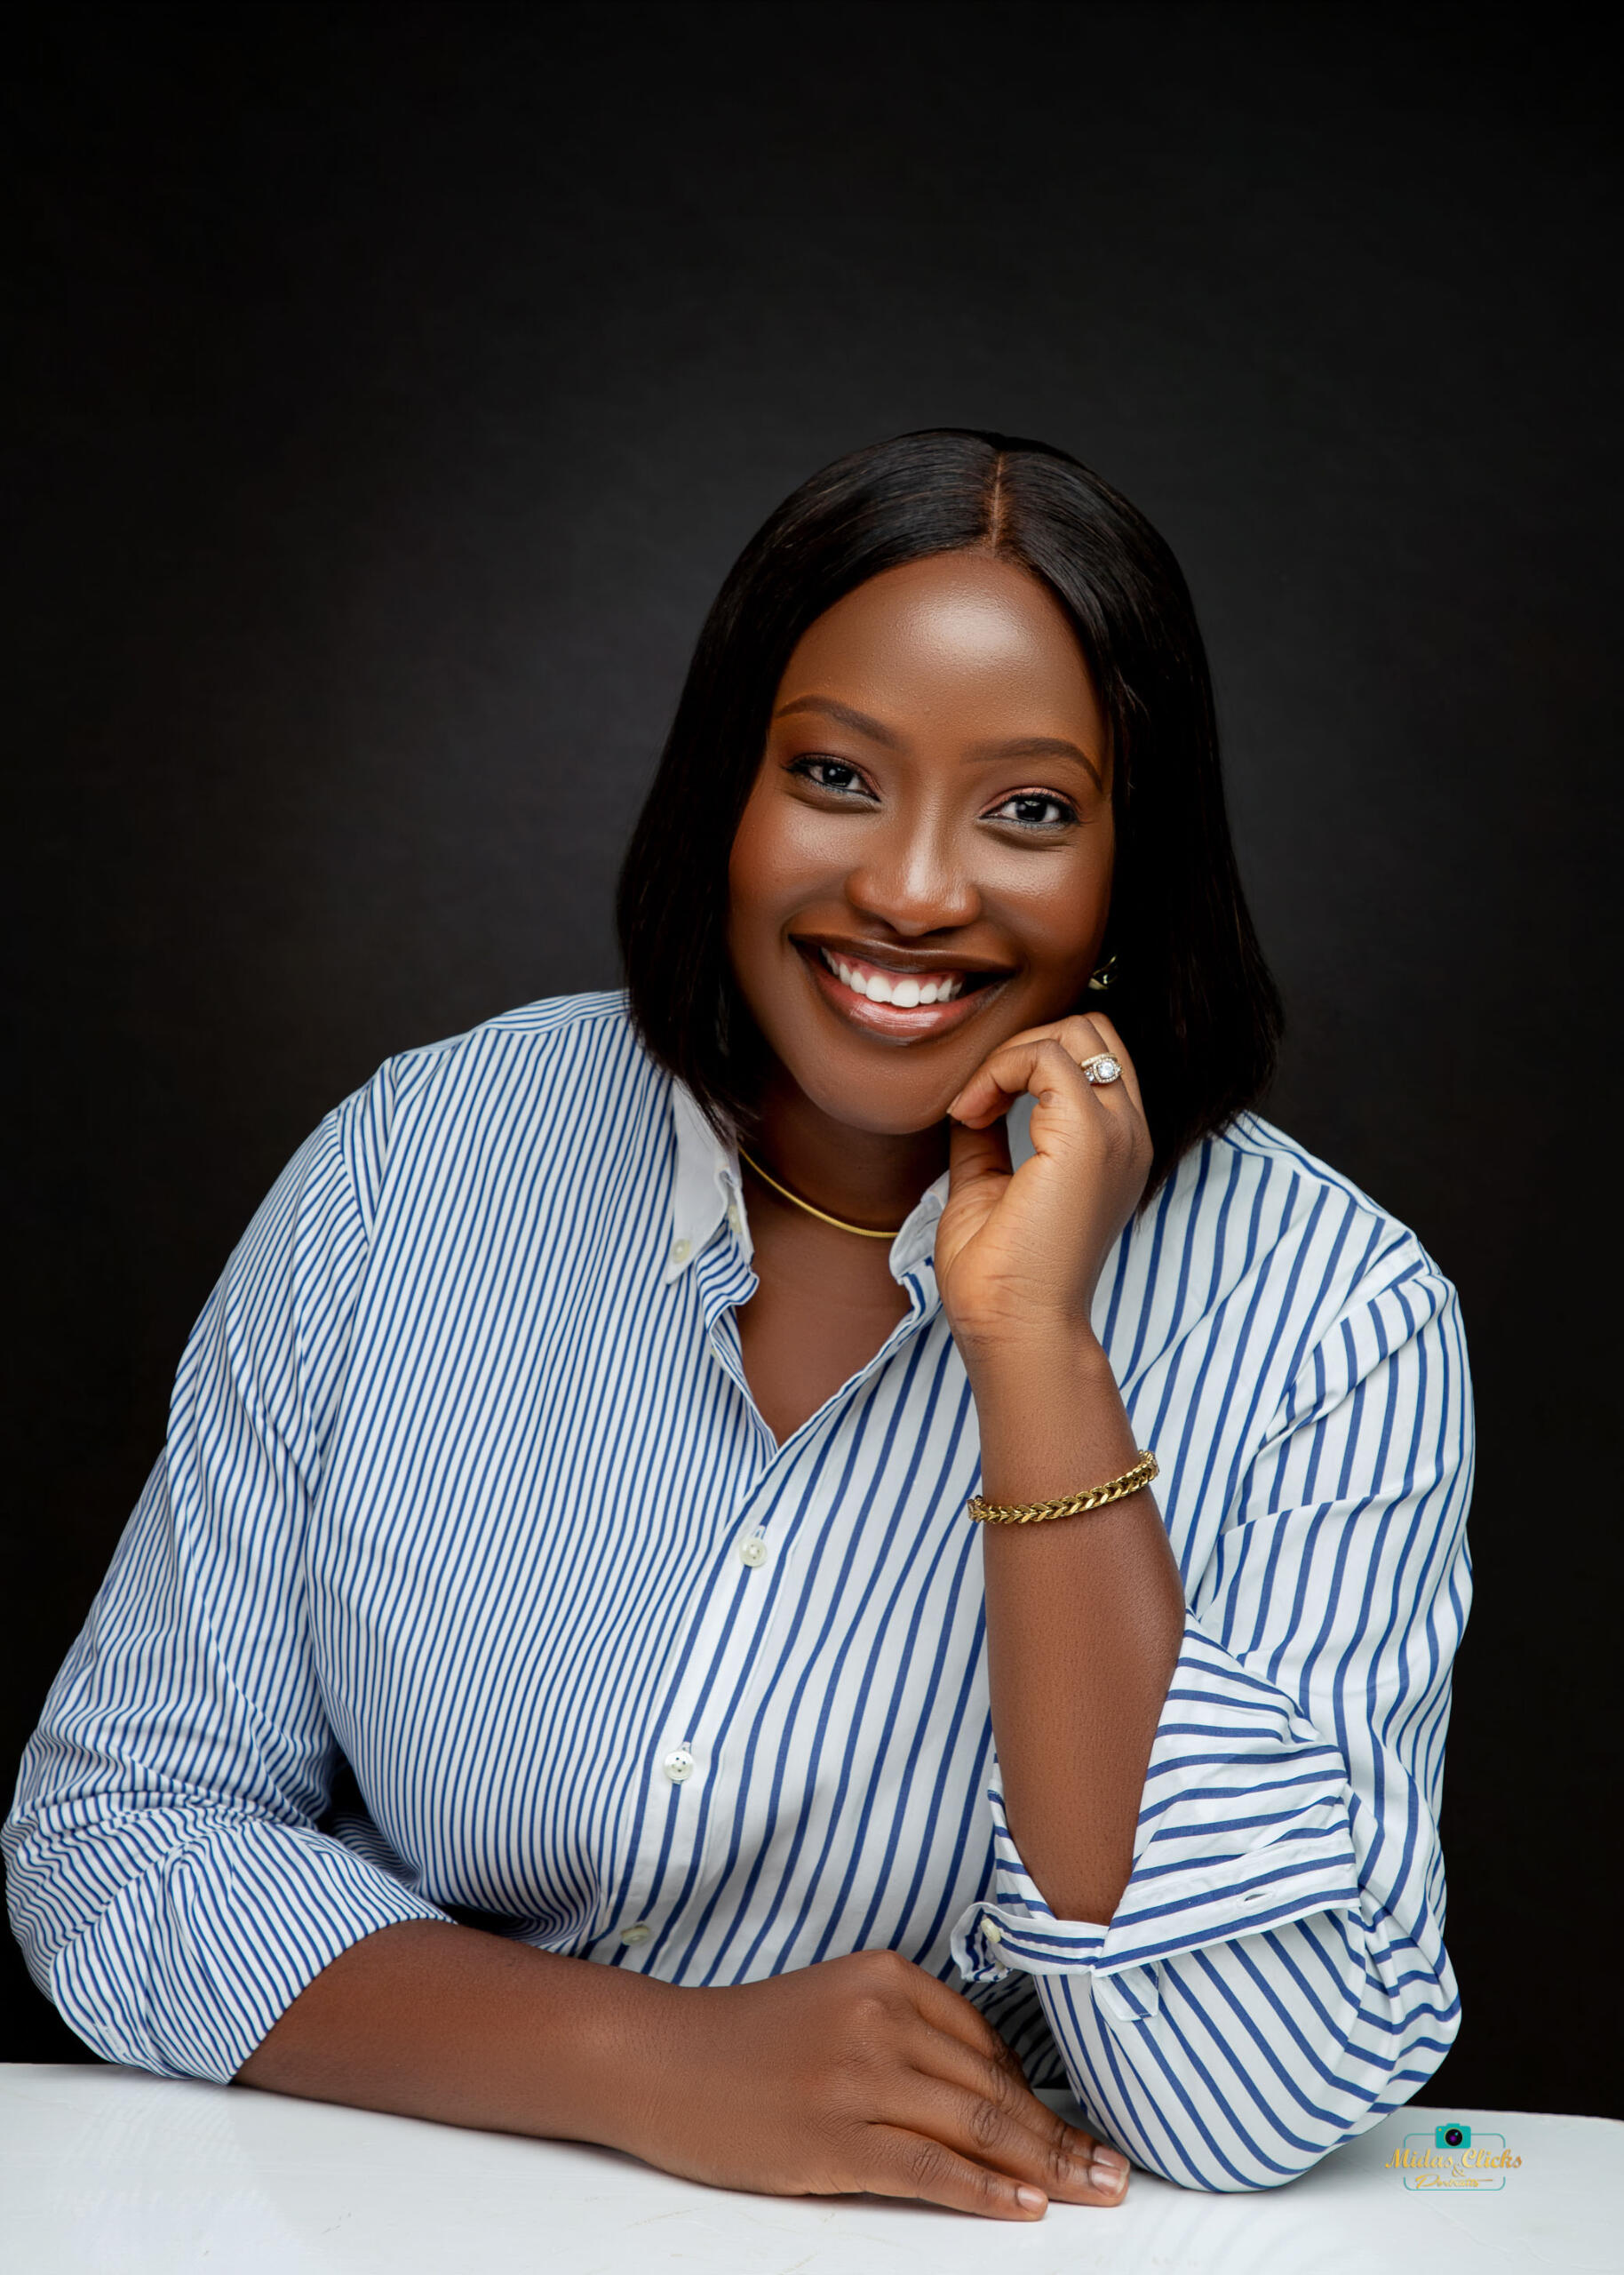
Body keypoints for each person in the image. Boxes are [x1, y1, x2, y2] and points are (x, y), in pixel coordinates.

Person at [4, 430, 1472, 2217]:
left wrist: (1038, 1354)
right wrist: (644, 2059)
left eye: (1028, 809)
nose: (913, 888)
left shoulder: (1334, 1324)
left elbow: (1250, 2095)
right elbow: (120, 1836)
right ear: (727, 792)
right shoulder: (418, 1161)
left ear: (1126, 872)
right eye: (836, 774)